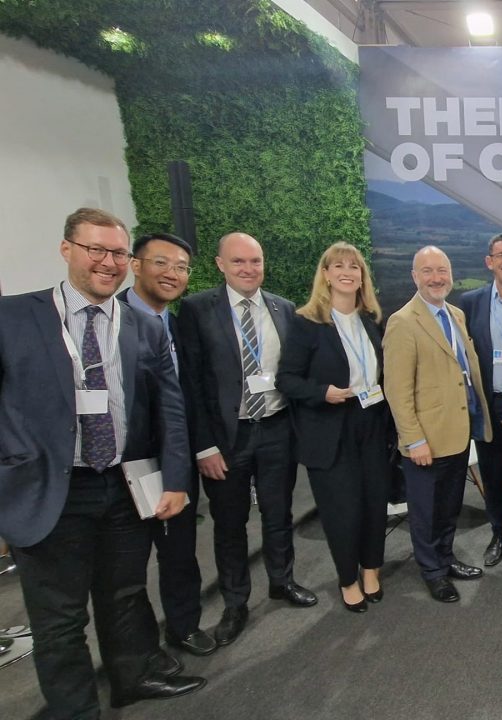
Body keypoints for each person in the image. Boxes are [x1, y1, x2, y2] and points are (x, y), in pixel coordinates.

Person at [0, 208, 204, 716]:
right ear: (67, 249)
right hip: (49, 489)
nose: (107, 262)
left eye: (116, 252)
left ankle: (133, 677)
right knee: (61, 620)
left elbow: (170, 411)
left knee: (126, 594)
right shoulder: (14, 318)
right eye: (96, 249)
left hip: (121, 484)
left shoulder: (144, 326)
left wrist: (176, 479)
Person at [177, 232, 316, 649]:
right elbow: (192, 386)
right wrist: (203, 446)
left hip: (275, 429)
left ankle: (281, 581)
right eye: (238, 262)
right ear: (220, 264)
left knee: (279, 514)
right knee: (230, 524)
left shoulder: (283, 309)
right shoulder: (198, 310)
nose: (248, 269)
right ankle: (236, 602)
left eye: (255, 261)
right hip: (226, 439)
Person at [277, 242, 392, 614]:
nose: (348, 272)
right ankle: (347, 579)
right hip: (330, 427)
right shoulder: (307, 323)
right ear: (325, 274)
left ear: (362, 276)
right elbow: (287, 379)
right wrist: (322, 392)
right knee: (342, 510)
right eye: (338, 266)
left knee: (375, 502)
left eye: (354, 266)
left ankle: (371, 569)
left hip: (371, 422)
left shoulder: (371, 319)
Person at [118, 232, 216, 657]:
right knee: (125, 568)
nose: (172, 274)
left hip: (174, 461)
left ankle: (183, 625)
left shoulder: (176, 326)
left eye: (180, 267)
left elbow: (189, 394)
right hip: (121, 466)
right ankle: (136, 655)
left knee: (179, 551)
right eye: (161, 263)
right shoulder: (110, 317)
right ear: (135, 265)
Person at [383, 246, 491, 603]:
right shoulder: (402, 322)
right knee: (426, 511)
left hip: (458, 433)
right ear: (415, 277)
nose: (436, 278)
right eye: (427, 271)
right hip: (426, 440)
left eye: (442, 270)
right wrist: (414, 440)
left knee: (449, 506)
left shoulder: (455, 315)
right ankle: (432, 571)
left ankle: (446, 558)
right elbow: (397, 390)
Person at [458, 232, 502, 566]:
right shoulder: (470, 302)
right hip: (490, 403)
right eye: (501, 255)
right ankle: (500, 534)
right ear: (489, 262)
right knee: (494, 473)